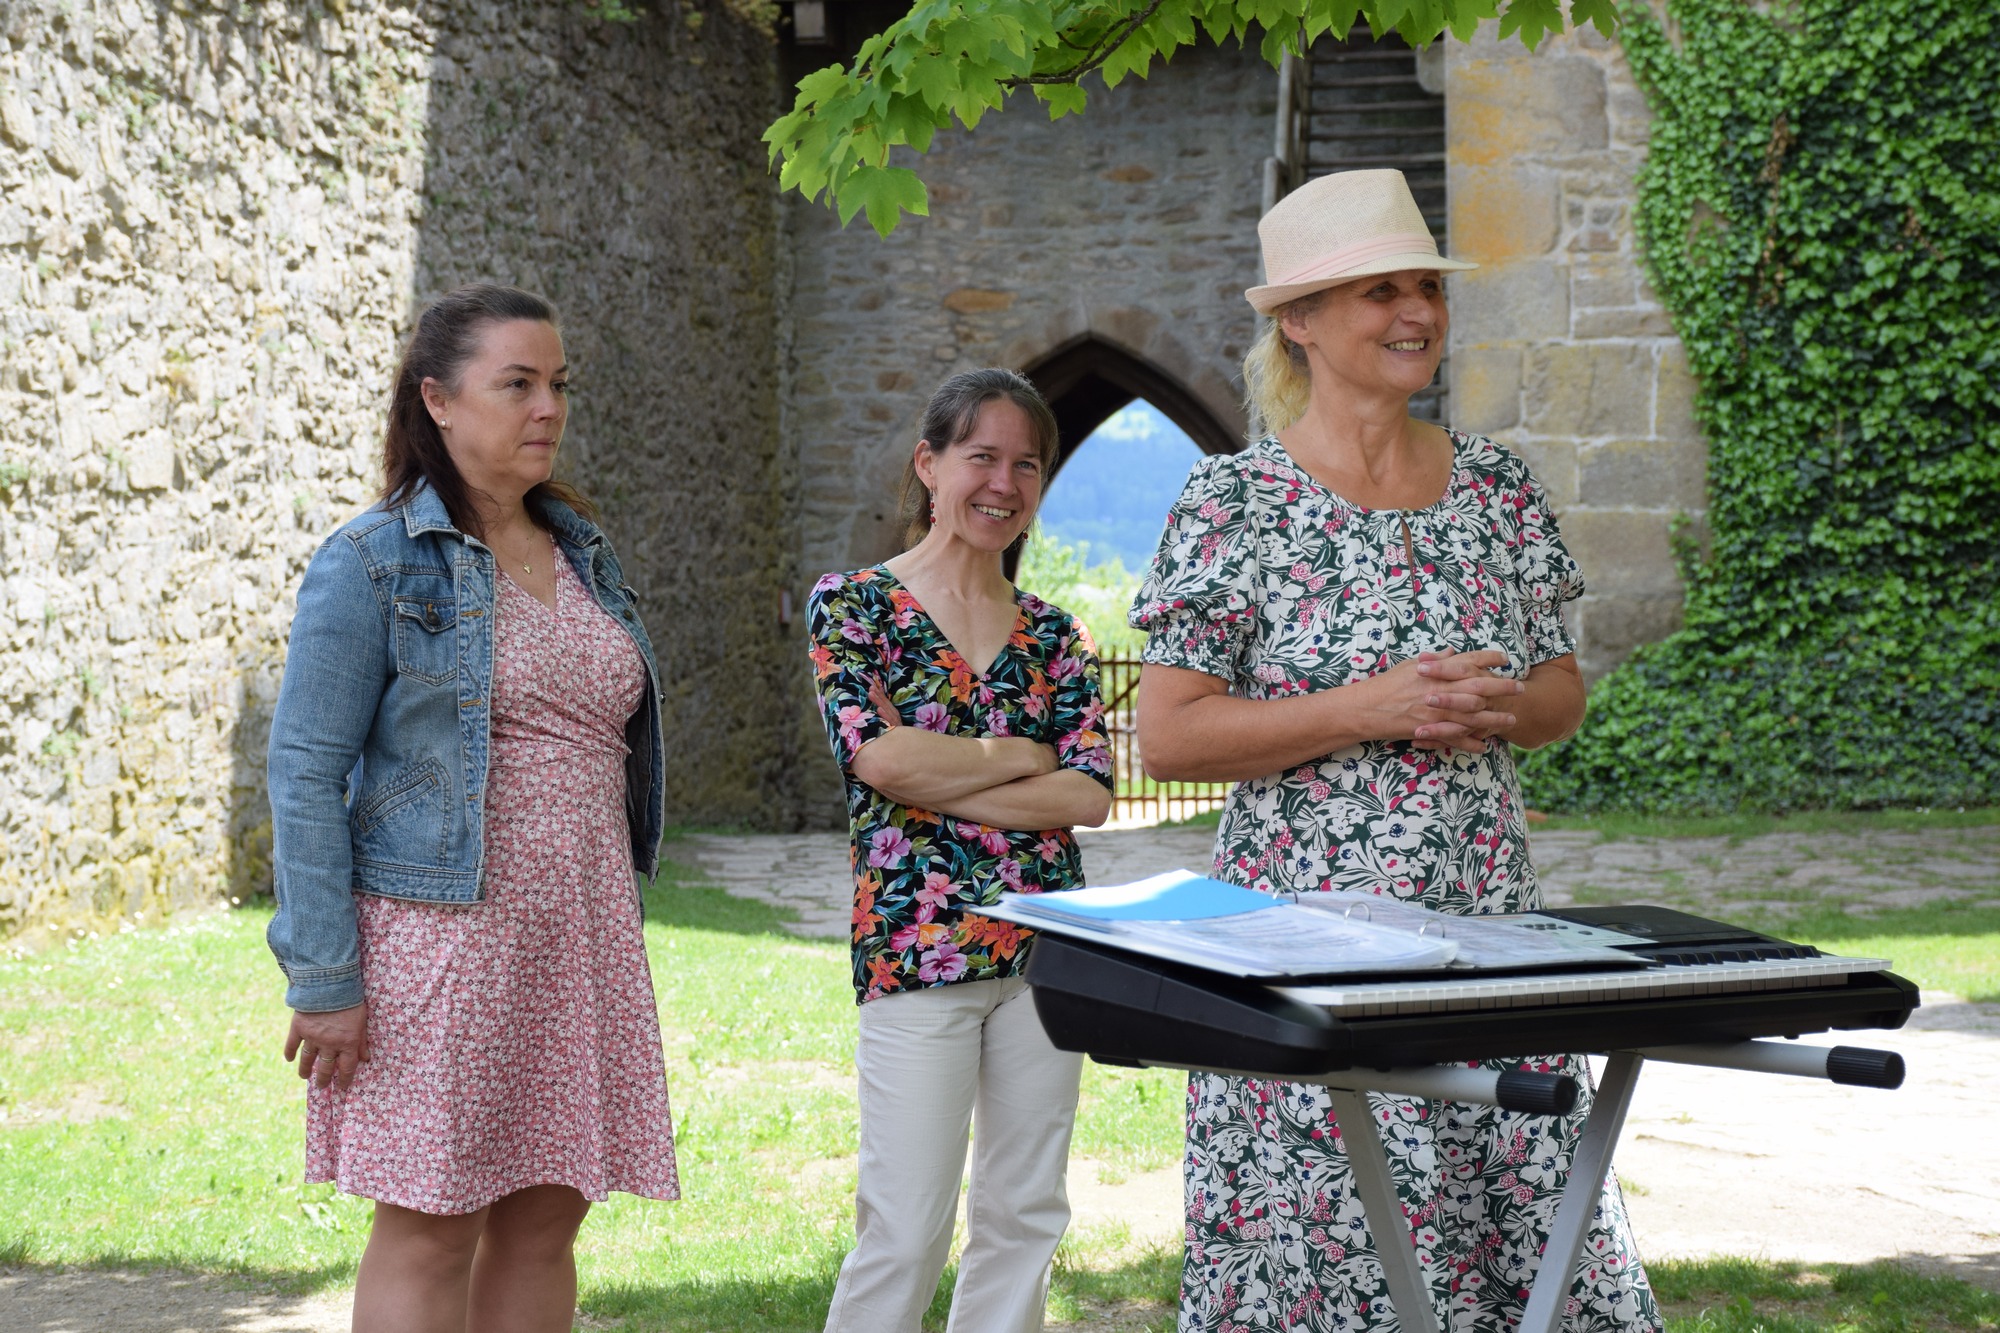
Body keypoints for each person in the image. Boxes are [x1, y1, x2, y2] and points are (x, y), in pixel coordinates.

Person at [1130, 170, 1660, 1333]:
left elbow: (1558, 693)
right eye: (1381, 291)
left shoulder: (1498, 490)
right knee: (1331, 1245)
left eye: (1426, 286)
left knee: (1519, 1226)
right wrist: (1366, 706)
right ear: (1299, 321)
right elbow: (1166, 734)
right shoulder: (1233, 502)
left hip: (1483, 925)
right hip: (1304, 945)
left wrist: (1499, 708)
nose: (1417, 310)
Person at [265, 284, 678, 1333]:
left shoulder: (584, 553)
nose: (548, 408)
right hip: (440, 944)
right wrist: (324, 976)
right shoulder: (371, 560)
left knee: (546, 1219)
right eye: (518, 384)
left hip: (579, 937)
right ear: (439, 400)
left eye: (558, 386)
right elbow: (304, 772)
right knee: (432, 1226)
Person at [806, 368, 1116, 1333]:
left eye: (1027, 464)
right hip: (918, 945)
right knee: (905, 1226)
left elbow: (1089, 794)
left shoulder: (1056, 635)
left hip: (1043, 949)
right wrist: (1020, 753)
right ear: (929, 464)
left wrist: (940, 774)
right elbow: (881, 760)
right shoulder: (854, 606)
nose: (1004, 483)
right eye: (982, 456)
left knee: (1024, 1215)